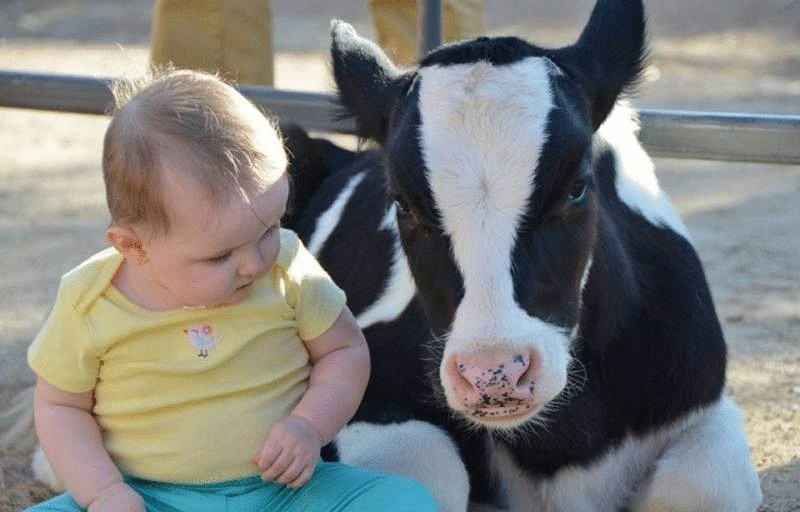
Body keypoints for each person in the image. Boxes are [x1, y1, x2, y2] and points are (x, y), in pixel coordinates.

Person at [25, 69, 437, 512]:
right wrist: (103, 493)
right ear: (134, 247)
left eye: (270, 229)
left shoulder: (288, 267)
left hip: (286, 494)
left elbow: (344, 352)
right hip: (147, 497)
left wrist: (308, 426)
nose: (254, 263)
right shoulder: (90, 301)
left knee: (404, 500)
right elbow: (60, 408)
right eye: (219, 257)